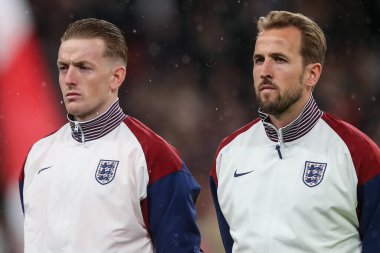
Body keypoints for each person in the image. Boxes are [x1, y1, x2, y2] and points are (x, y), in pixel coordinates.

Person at [19, 18, 202, 253]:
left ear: (116, 77)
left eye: (83, 67)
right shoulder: (37, 156)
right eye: (63, 67)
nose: (69, 79)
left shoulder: (153, 156)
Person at [210, 10, 380, 253]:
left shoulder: (358, 154)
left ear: (312, 74)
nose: (265, 71)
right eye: (259, 59)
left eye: (279, 59)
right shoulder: (228, 156)